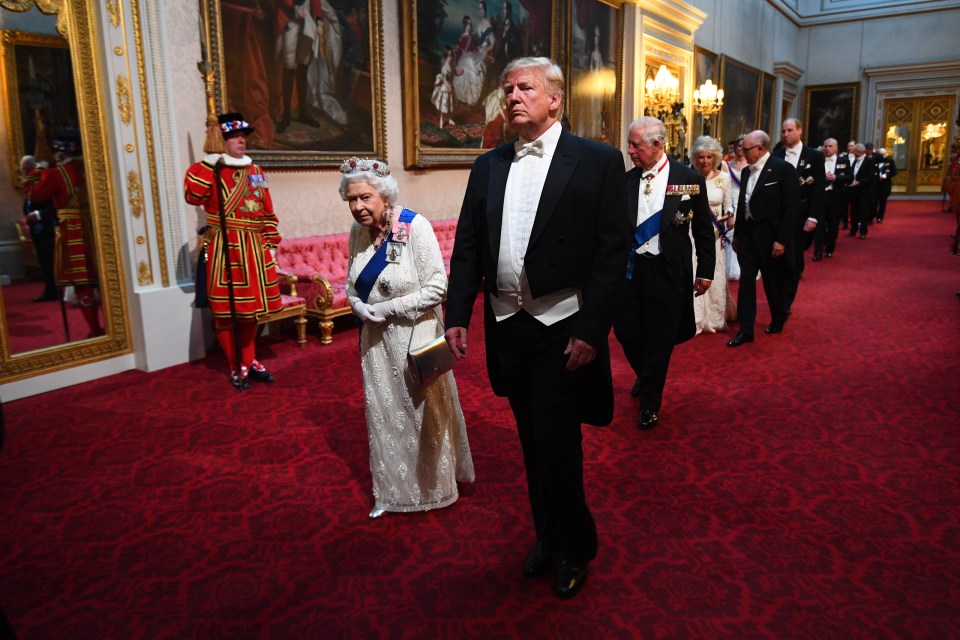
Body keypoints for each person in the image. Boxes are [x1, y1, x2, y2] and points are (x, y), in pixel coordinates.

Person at [444, 57, 627, 599]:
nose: (513, 97)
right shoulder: (490, 164)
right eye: (507, 89)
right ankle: (547, 536)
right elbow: (469, 247)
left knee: (554, 439)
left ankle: (577, 546)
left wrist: (593, 330)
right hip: (509, 326)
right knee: (532, 441)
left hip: (562, 326)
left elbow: (612, 256)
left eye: (525, 88)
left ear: (555, 99)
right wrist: (458, 314)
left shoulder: (597, 161)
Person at [341, 156, 474, 519]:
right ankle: (393, 492)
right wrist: (357, 305)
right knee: (385, 416)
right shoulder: (357, 233)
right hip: (376, 346)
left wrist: (386, 308)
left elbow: (437, 286)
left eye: (365, 198)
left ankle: (435, 488)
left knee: (422, 414)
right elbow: (352, 284)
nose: (358, 207)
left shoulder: (414, 227)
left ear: (384, 195)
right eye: (351, 200)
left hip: (417, 338)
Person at [616, 118, 714, 427]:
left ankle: (650, 403)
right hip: (631, 272)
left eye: (636, 145)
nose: (629, 150)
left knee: (659, 339)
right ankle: (646, 375)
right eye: (629, 144)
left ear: (658, 145)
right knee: (626, 332)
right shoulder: (626, 181)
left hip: (669, 272)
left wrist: (706, 271)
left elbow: (701, 230)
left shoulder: (688, 180)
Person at [184, 113, 283, 389]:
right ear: (221, 140)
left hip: (253, 247)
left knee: (249, 311)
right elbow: (193, 196)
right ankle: (234, 364)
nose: (241, 140)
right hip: (225, 248)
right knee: (226, 311)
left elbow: (267, 210)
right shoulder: (208, 170)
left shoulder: (256, 171)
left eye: (243, 136)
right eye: (233, 137)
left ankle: (249, 360)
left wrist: (271, 243)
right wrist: (207, 164)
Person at [727, 130, 799, 347]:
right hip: (748, 237)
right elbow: (743, 204)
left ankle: (778, 318)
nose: (742, 152)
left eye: (746, 149)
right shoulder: (747, 171)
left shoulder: (783, 169)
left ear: (760, 148)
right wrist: (738, 234)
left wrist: (781, 240)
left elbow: (790, 208)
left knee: (773, 282)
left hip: (771, 237)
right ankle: (745, 330)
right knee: (747, 282)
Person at [31, 135, 104, 338]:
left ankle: (96, 330)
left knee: (83, 283)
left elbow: (35, 194)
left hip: (73, 231)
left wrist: (38, 171)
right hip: (96, 227)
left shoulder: (55, 173)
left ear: (60, 154)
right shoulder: (88, 168)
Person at [771, 118, 824, 313]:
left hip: (802, 214)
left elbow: (818, 189)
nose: (786, 134)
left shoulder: (814, 156)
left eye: (790, 130)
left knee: (795, 259)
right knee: (777, 259)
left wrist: (813, 217)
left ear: (800, 130)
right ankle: (778, 298)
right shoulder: (775, 155)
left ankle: (786, 302)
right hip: (778, 216)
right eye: (783, 131)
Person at [690, 136, 733, 334]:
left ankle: (715, 318)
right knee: (693, 272)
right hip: (691, 233)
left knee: (713, 274)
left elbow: (729, 205)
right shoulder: (688, 177)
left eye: (709, 157)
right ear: (694, 158)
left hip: (715, 234)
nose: (705, 161)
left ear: (715, 158)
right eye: (701, 157)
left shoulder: (723, 178)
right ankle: (696, 319)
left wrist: (729, 216)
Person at [275, 0, 323, 133]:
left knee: (303, 66)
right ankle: (286, 115)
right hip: (289, 19)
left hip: (307, 20)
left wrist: (319, 21)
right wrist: (294, 10)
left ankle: (303, 112)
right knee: (289, 67)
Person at [19, 155, 58, 302]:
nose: (24, 173)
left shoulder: (44, 182)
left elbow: (55, 207)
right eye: (23, 170)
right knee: (44, 261)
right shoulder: (31, 185)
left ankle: (52, 290)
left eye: (26, 169)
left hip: (48, 228)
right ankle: (50, 289)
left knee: (49, 261)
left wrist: (39, 214)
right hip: (37, 230)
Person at [815, 138, 852, 259]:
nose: (827, 148)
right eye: (825, 146)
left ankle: (830, 248)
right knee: (819, 225)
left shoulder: (844, 161)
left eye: (830, 146)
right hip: (820, 196)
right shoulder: (817, 160)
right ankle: (818, 252)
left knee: (833, 225)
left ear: (836, 148)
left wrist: (836, 178)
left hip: (836, 197)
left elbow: (849, 178)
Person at [721, 135, 748, 282]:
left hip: (746, 203)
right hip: (731, 202)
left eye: (745, 146)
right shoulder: (727, 165)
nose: (742, 149)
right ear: (734, 147)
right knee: (730, 235)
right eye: (739, 146)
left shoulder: (751, 165)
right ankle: (730, 268)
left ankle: (743, 267)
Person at [847, 143, 876, 239]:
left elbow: (871, 176)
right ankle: (853, 229)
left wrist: (859, 182)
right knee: (853, 211)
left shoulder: (869, 161)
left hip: (864, 190)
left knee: (863, 212)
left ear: (859, 152)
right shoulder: (855, 160)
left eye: (854, 150)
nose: (852, 151)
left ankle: (863, 232)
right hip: (853, 190)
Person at [431, 45, 457, 129]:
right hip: (445, 88)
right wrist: (449, 88)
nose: (451, 57)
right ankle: (442, 120)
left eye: (451, 55)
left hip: (450, 87)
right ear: (446, 57)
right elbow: (445, 80)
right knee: (444, 106)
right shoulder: (445, 67)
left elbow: (454, 73)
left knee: (450, 105)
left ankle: (449, 118)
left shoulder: (451, 65)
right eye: (449, 56)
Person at [875, 147, 898, 222]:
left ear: (885, 154)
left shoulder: (890, 161)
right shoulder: (874, 161)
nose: (881, 156)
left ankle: (880, 217)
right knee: (874, 201)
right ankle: (872, 215)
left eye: (883, 154)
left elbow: (894, 171)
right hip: (876, 184)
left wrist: (886, 176)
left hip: (885, 185)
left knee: (882, 202)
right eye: (880, 154)